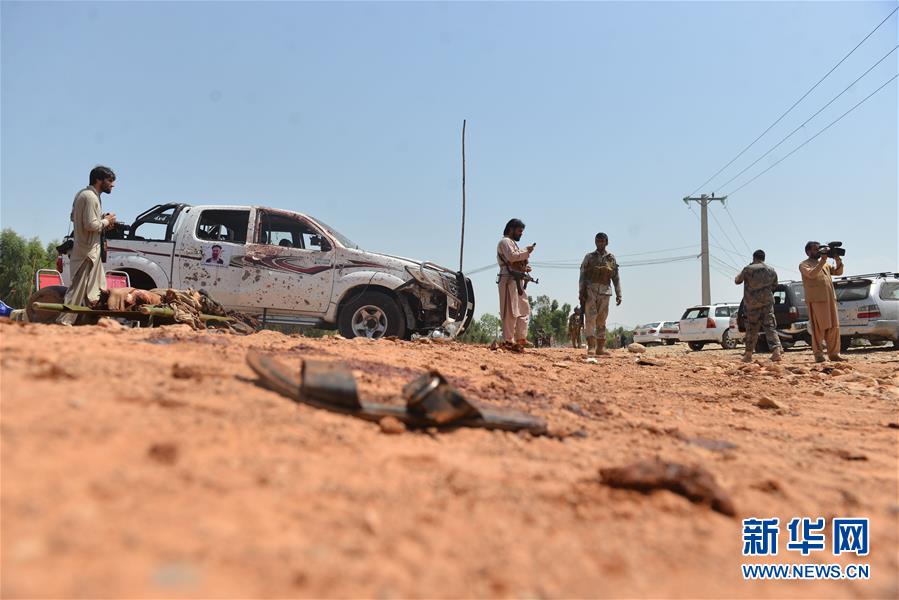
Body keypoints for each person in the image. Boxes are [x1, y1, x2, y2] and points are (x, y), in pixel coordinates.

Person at [57, 166, 117, 325]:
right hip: (87, 252)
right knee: (77, 291)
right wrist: (107, 221)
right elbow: (91, 225)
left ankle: (95, 323)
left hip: (90, 251)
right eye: (110, 181)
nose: (113, 185)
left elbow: (74, 217)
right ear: (99, 180)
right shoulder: (90, 197)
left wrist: (101, 219)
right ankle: (64, 323)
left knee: (97, 291)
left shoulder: (84, 194)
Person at [799, 241, 845, 362]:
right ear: (808, 251)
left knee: (834, 327)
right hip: (816, 300)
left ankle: (834, 354)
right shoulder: (804, 264)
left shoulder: (824, 264)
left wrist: (837, 258)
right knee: (818, 328)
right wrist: (823, 261)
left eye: (819, 249)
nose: (819, 251)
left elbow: (839, 272)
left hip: (830, 299)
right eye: (815, 249)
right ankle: (819, 354)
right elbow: (812, 274)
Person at [734, 249, 782, 363]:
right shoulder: (771, 270)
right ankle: (776, 352)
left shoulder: (748, 269)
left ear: (754, 257)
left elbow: (737, 280)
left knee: (751, 329)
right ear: (763, 258)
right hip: (767, 303)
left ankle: (748, 355)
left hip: (752, 304)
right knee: (770, 327)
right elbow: (775, 285)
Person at [579, 232, 621, 356]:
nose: (600, 243)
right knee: (590, 318)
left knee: (602, 319)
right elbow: (582, 275)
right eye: (598, 241)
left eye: (602, 241)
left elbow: (616, 277)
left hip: (605, 292)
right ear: (595, 242)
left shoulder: (611, 258)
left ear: (606, 242)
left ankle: (600, 348)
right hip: (590, 291)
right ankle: (591, 347)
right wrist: (581, 291)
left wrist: (619, 294)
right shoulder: (589, 257)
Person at [497, 218, 535, 352]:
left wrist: (525, 268)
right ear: (511, 229)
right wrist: (526, 251)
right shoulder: (504, 242)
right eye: (519, 231)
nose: (521, 234)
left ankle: (521, 339)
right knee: (510, 311)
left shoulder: (512, 243)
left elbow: (516, 260)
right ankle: (508, 340)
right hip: (508, 279)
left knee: (524, 309)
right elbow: (512, 257)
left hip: (518, 279)